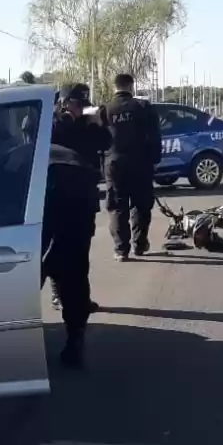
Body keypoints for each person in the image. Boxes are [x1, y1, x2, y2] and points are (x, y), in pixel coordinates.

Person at [49, 83, 110, 311]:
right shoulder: (53, 122)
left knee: (81, 251)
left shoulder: (86, 123)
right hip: (56, 195)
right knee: (56, 249)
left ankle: (80, 298)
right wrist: (67, 119)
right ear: (64, 104)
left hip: (83, 194)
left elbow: (106, 143)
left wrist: (98, 125)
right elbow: (48, 140)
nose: (80, 110)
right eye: (76, 105)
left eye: (83, 105)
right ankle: (58, 295)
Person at [42, 141, 101, 368]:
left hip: (51, 204)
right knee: (74, 271)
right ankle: (75, 339)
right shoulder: (68, 152)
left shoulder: (15, 158)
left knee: (33, 266)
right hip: (81, 205)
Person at [100, 73, 162, 261]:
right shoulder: (143, 107)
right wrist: (155, 159)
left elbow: (99, 139)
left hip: (114, 164)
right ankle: (140, 244)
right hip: (140, 163)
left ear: (115, 87)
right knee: (141, 205)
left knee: (117, 206)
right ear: (131, 87)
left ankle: (121, 250)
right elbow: (154, 136)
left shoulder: (106, 110)